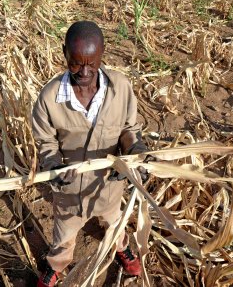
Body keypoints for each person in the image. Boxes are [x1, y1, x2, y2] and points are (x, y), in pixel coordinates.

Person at [31, 20, 148, 287]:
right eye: (75, 63)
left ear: (102, 54)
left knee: (114, 222)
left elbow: (129, 130)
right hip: (69, 190)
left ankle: (120, 247)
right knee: (64, 236)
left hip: (108, 186)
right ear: (64, 53)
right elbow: (46, 142)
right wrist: (53, 166)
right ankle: (55, 265)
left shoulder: (120, 88)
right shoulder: (49, 99)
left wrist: (136, 152)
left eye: (91, 64)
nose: (84, 72)